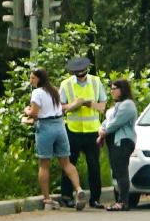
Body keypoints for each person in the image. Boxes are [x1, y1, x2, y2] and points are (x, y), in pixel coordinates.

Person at [26, 68, 85, 212]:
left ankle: (47, 199)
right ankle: (78, 189)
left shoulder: (37, 93)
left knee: (44, 164)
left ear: (39, 79)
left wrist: (26, 111)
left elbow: (34, 114)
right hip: (60, 126)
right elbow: (61, 108)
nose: (31, 81)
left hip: (45, 127)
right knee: (66, 162)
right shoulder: (54, 90)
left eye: (33, 78)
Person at [57, 56, 107, 208]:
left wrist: (89, 103)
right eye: (78, 73)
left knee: (94, 166)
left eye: (83, 72)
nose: (81, 75)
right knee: (69, 164)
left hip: (92, 131)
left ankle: (95, 198)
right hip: (73, 130)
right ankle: (67, 196)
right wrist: (73, 105)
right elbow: (60, 107)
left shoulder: (96, 82)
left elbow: (102, 106)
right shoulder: (66, 84)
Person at [97, 79, 139, 211]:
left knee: (121, 172)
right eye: (111, 88)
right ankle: (119, 200)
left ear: (123, 90)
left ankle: (123, 201)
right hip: (113, 141)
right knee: (116, 171)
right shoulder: (116, 106)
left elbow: (116, 123)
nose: (112, 91)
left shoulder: (128, 105)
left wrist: (103, 132)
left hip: (122, 141)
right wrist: (101, 129)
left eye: (115, 88)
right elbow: (107, 121)